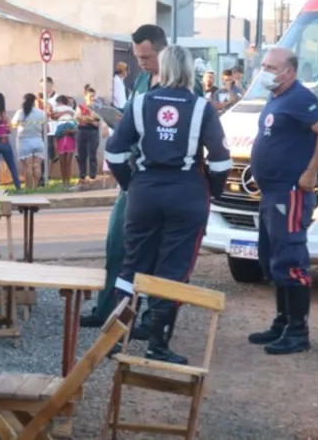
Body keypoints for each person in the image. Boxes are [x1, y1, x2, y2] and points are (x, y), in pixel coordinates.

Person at [105, 45, 232, 364]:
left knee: (132, 264)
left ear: (161, 70)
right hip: (186, 193)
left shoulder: (139, 104)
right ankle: (157, 345)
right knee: (173, 267)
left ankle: (114, 340)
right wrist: (211, 191)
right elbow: (220, 161)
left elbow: (114, 153)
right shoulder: (202, 108)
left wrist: (130, 184)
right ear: (191, 71)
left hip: (145, 191)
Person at [246, 47, 318, 356]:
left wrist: (312, 172)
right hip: (271, 193)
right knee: (272, 259)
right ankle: (282, 322)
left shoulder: (300, 97)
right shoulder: (277, 98)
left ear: (291, 71)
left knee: (291, 259)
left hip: (290, 192)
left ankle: (298, 332)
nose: (265, 72)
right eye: (264, 66)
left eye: (272, 67)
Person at [80, 24, 167, 333]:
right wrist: (111, 114)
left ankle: (148, 320)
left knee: (155, 254)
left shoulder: (178, 82)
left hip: (157, 179)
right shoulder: (143, 79)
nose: (141, 63)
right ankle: (107, 309)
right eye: (137, 57)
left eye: (146, 57)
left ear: (162, 49)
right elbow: (131, 117)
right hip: (130, 175)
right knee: (117, 244)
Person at [12, 93, 46, 189]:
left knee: (27, 166)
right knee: (37, 165)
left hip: (24, 141)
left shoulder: (20, 112)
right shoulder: (40, 112)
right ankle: (36, 187)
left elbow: (13, 124)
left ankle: (28, 187)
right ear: (35, 102)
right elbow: (46, 127)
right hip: (38, 140)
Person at [0, 92, 22, 190]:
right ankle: (18, 187)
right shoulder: (4, 115)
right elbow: (10, 129)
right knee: (12, 165)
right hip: (3, 140)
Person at [76, 86, 103, 184]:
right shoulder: (80, 106)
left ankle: (92, 175)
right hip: (81, 131)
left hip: (93, 132)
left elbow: (96, 116)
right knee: (82, 155)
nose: (93, 98)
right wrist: (91, 120)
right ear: (85, 97)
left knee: (92, 154)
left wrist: (85, 118)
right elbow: (78, 117)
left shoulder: (97, 106)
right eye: (90, 96)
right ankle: (82, 175)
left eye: (94, 96)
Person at [51, 95, 77, 187]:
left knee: (68, 162)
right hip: (61, 140)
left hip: (70, 139)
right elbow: (54, 116)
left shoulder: (73, 113)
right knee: (62, 163)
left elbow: (76, 125)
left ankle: (68, 181)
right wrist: (65, 112)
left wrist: (70, 131)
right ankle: (64, 182)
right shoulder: (62, 111)